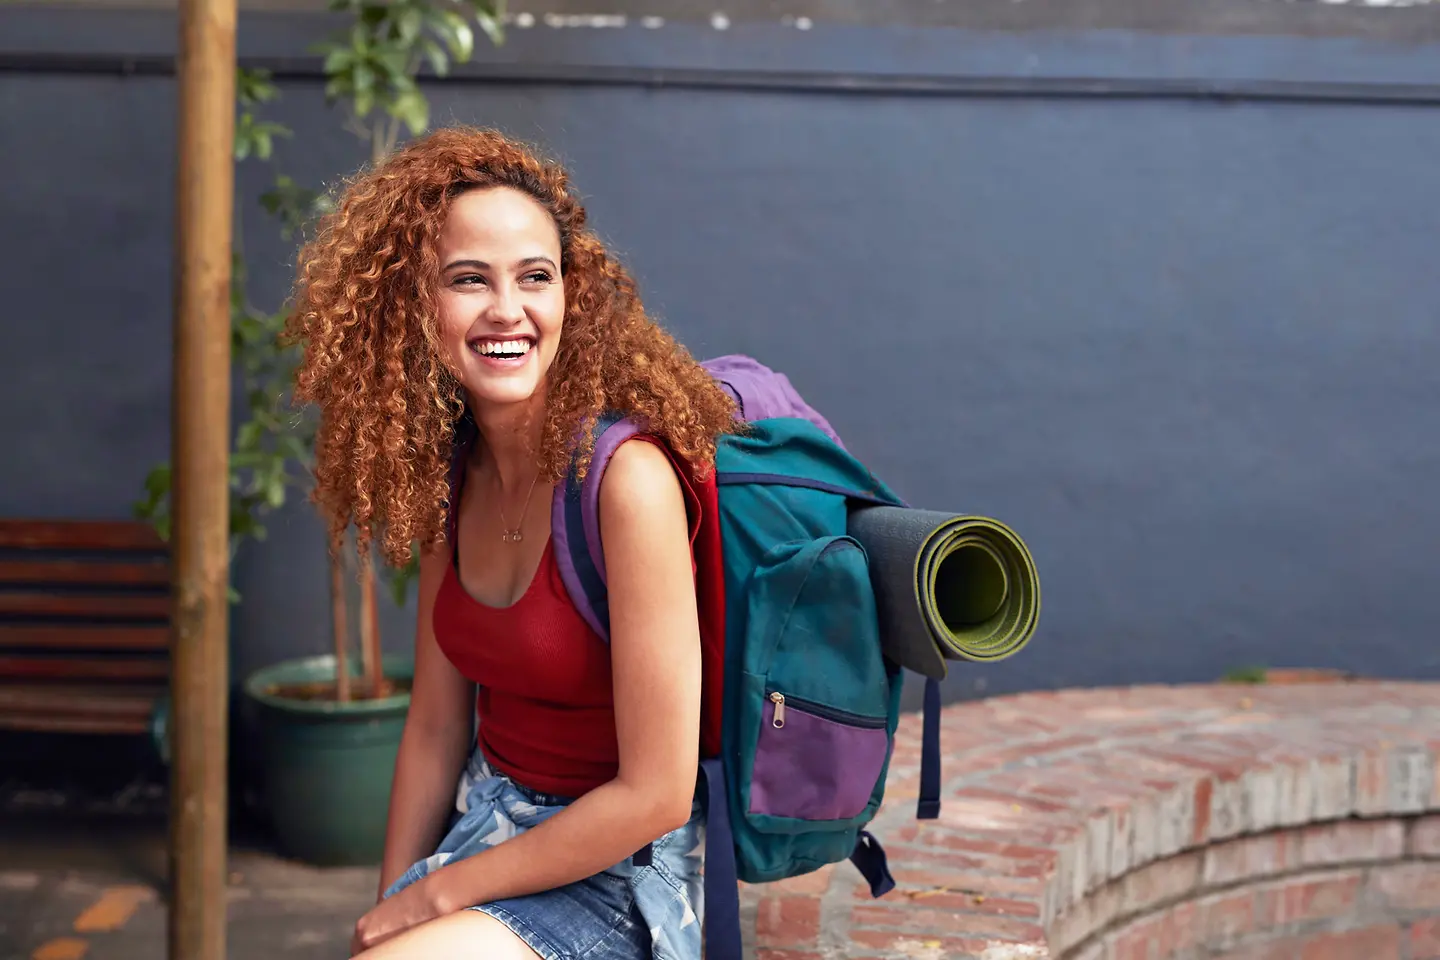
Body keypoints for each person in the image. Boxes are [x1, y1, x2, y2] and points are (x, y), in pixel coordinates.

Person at [284, 126, 738, 960]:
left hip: (620, 872)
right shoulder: (447, 476)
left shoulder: (625, 483)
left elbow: (657, 794)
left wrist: (437, 894)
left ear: (573, 294)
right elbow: (433, 725)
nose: (507, 310)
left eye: (536, 277)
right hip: (490, 829)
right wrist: (390, 905)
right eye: (468, 280)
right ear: (417, 308)